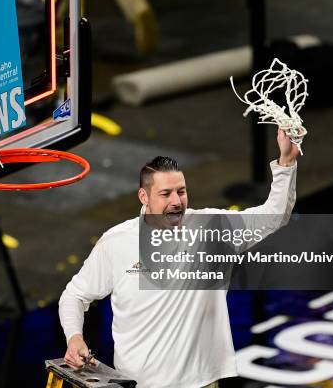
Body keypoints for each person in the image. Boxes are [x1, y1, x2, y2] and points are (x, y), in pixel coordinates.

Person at [58, 128, 299, 388]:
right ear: (144, 197)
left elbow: (274, 215)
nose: (176, 201)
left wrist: (286, 162)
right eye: (165, 194)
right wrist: (74, 337)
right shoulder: (116, 242)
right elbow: (74, 296)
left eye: (181, 191)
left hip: (202, 383)